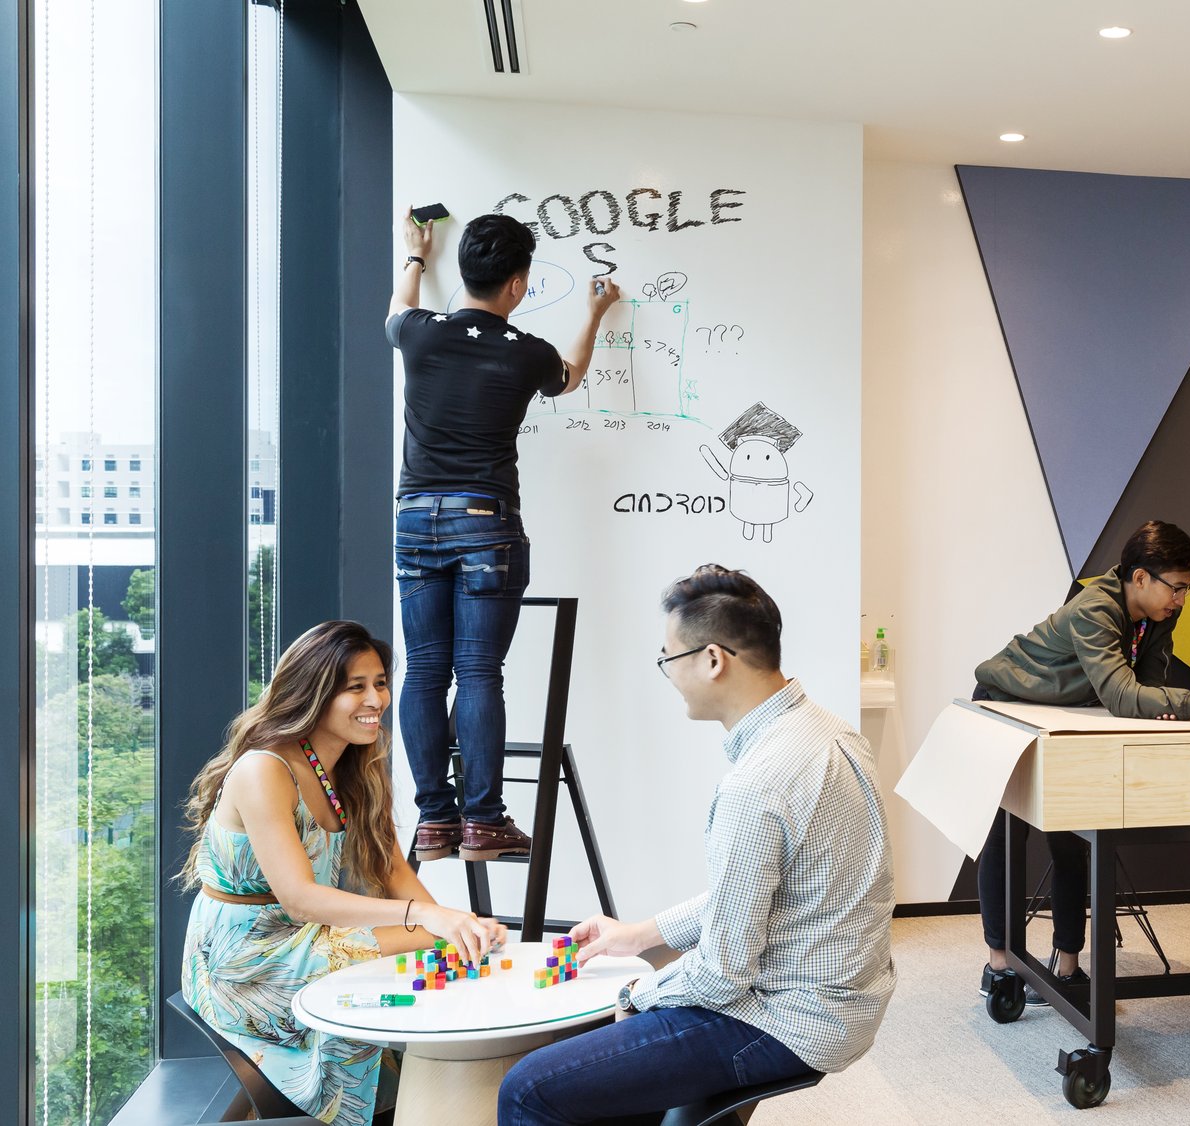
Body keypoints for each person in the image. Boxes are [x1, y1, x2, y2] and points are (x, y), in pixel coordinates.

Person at [497, 567, 896, 1126]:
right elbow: (760, 896)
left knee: (527, 1089)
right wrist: (637, 934)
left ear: (713, 660)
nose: (667, 675)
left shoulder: (758, 784)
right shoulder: (830, 732)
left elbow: (721, 974)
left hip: (784, 1018)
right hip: (846, 1001)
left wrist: (640, 993)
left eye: (668, 659)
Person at [179, 621, 507, 1126]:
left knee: (454, 945)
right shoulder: (264, 769)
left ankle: (445, 1102)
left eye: (379, 683)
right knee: (424, 945)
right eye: (355, 687)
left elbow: (388, 866)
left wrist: (452, 920)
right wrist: (426, 919)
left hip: (305, 937)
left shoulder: (354, 765)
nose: (375, 698)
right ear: (312, 693)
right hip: (246, 957)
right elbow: (299, 899)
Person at [388, 208, 622, 863]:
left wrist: (414, 254)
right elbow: (570, 376)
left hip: (413, 517)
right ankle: (484, 822)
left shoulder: (418, 334)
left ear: (462, 272)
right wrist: (596, 313)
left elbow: (398, 304)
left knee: (426, 672)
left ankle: (435, 823)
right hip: (485, 521)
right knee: (478, 671)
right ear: (517, 286)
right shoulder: (526, 355)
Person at [971, 521, 1190, 1001]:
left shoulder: (1157, 612)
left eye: (1189, 587)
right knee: (1006, 836)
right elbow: (1125, 696)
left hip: (1067, 713)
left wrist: (1178, 708)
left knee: (1073, 837)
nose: (1183, 598)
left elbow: (1142, 694)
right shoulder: (1095, 609)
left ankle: (1067, 967)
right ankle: (999, 964)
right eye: (1178, 586)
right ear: (1141, 578)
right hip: (1006, 702)